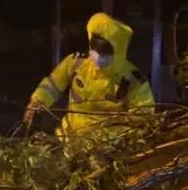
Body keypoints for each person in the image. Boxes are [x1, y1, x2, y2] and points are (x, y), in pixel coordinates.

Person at [24, 12, 154, 136]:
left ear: (118, 52)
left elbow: (141, 119)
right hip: (67, 139)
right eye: (94, 48)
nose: (97, 55)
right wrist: (39, 101)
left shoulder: (134, 82)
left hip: (105, 149)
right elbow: (53, 84)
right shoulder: (76, 63)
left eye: (104, 52)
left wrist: (112, 138)